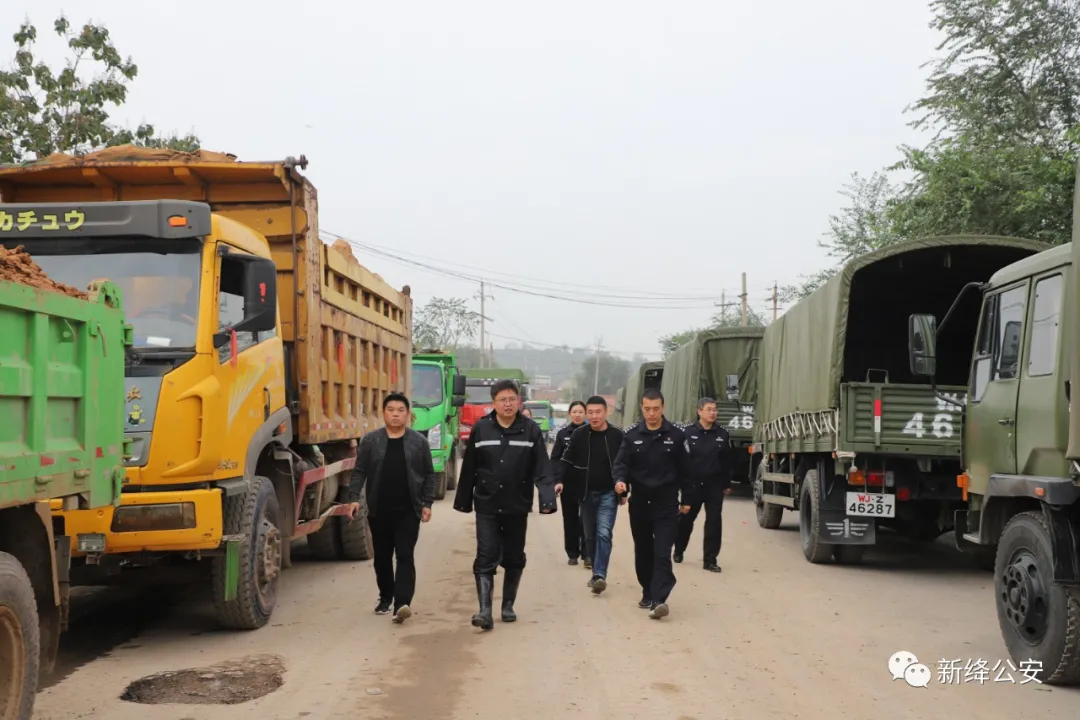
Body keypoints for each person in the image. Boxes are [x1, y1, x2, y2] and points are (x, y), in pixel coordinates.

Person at [453, 379, 557, 630]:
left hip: (516, 505)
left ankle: (507, 604)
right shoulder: (481, 429)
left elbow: (541, 466)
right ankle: (484, 611)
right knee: (485, 555)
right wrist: (464, 501)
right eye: (503, 400)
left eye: (512, 399)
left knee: (513, 556)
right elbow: (470, 468)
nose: (508, 404)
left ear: (519, 402)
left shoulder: (530, 430)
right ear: (494, 403)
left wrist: (546, 499)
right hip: (487, 503)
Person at [347, 393, 436, 624]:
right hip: (379, 509)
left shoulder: (419, 442)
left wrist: (427, 504)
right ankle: (386, 596)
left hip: (409, 510)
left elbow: (429, 475)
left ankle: (402, 603)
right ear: (384, 413)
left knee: (405, 555)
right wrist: (354, 497)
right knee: (382, 557)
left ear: (408, 414)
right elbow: (359, 471)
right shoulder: (371, 441)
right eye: (390, 409)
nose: (395, 414)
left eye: (400, 410)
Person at [613, 388, 693, 620]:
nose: (651, 413)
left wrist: (687, 498)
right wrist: (620, 482)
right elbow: (621, 464)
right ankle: (648, 591)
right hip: (640, 504)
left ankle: (660, 599)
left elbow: (686, 471)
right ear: (642, 408)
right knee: (644, 551)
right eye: (647, 409)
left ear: (662, 408)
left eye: (656, 409)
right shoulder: (631, 435)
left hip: (667, 504)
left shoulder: (677, 436)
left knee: (662, 552)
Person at [557, 396, 625, 595]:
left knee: (604, 533)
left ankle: (599, 575)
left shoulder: (616, 436)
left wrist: (624, 490)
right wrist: (558, 480)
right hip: (586, 493)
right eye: (591, 413)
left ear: (606, 412)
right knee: (590, 536)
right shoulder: (580, 434)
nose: (594, 416)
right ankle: (596, 572)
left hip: (608, 494)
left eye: (598, 412)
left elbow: (623, 464)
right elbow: (566, 460)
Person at [673, 397, 732, 573]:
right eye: (709, 409)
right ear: (700, 411)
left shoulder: (722, 434)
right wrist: (681, 484)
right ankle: (679, 549)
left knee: (714, 521)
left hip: (714, 485)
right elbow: (681, 461)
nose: (713, 412)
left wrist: (726, 483)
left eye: (715, 409)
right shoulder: (687, 433)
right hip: (692, 485)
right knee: (686, 519)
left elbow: (727, 461)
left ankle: (710, 560)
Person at [550, 400, 588, 566]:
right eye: (575, 412)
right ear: (569, 414)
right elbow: (555, 459)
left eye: (581, 412)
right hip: (568, 483)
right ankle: (572, 553)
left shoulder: (592, 432)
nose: (578, 415)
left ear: (585, 414)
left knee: (586, 519)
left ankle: (587, 553)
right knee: (570, 519)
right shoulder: (563, 434)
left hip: (587, 482)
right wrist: (558, 480)